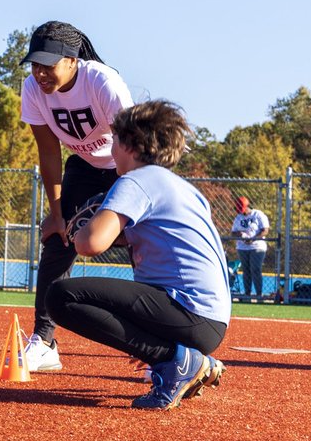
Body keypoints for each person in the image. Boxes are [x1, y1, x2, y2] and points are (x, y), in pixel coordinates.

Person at [46, 99, 231, 410]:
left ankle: (174, 359)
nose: (111, 149)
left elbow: (89, 244)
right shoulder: (182, 187)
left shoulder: (135, 180)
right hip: (209, 317)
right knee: (107, 298)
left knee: (61, 296)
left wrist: (81, 225)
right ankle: (181, 358)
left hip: (189, 311)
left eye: (114, 140)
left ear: (131, 143)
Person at [19, 21, 133, 373]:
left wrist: (127, 208)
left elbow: (132, 148)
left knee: (142, 243)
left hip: (126, 165)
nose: (39, 73)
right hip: (82, 166)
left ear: (72, 60)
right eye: (34, 64)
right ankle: (45, 341)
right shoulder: (33, 89)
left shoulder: (102, 82)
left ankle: (162, 348)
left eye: (47, 64)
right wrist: (56, 214)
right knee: (57, 241)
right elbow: (49, 153)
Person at [230, 195, 269, 302]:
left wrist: (253, 238)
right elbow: (233, 232)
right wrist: (239, 234)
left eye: (243, 209)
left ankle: (259, 295)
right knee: (246, 270)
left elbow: (265, 230)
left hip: (257, 246)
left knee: (255, 269)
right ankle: (247, 295)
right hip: (242, 247)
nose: (242, 212)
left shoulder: (258, 214)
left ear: (248, 206)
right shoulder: (238, 217)